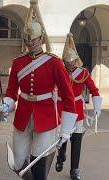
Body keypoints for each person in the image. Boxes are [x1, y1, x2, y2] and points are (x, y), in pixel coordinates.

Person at [0, 0, 77, 179]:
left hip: (46, 116)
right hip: (23, 115)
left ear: (41, 39)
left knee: (38, 161)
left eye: (34, 39)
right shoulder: (18, 62)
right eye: (27, 39)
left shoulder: (54, 62)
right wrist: (6, 105)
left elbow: (68, 95)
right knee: (18, 162)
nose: (30, 42)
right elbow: (11, 92)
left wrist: (65, 129)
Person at [55, 33, 102, 180]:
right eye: (66, 62)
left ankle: (74, 169)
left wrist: (97, 106)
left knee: (76, 140)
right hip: (62, 107)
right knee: (61, 138)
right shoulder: (58, 71)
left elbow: (94, 90)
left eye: (71, 61)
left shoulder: (83, 73)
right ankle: (61, 156)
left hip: (76, 109)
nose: (69, 64)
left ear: (75, 60)